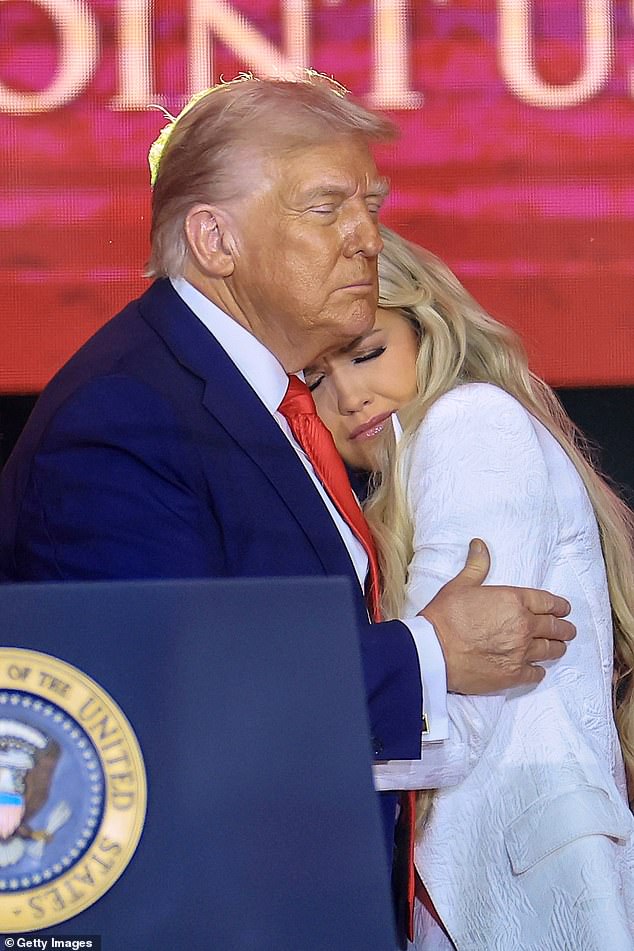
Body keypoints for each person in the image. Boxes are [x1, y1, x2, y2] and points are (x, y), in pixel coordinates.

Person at [0, 74, 574, 942]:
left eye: (371, 205)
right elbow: (161, 702)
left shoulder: (255, 402)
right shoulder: (124, 413)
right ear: (215, 240)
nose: (366, 238)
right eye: (326, 207)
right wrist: (430, 653)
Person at [305, 224, 634, 949]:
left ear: (426, 327)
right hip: (494, 872)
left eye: (367, 353)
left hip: (526, 878)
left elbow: (449, 711)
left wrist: (282, 754)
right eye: (316, 379)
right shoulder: (408, 473)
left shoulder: (467, 424)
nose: (351, 396)